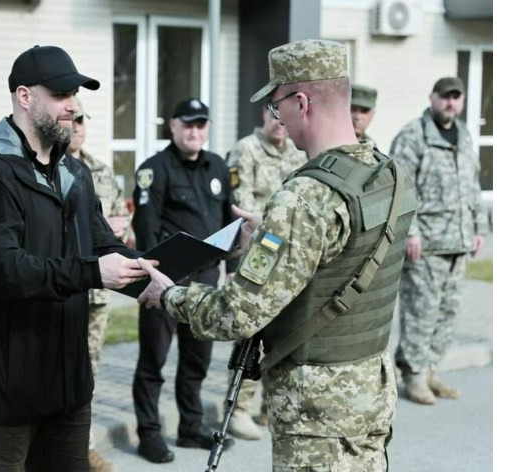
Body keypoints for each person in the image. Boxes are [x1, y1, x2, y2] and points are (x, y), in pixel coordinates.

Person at [136, 39, 419, 470]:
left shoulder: (305, 198)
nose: (278, 120)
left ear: (301, 101)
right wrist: (275, 234)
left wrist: (170, 295)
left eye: (275, 106)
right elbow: (339, 261)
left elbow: (236, 315)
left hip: (318, 415)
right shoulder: (390, 175)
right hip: (369, 395)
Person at [0, 45, 149, 472]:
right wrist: (93, 272)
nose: (71, 106)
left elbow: (100, 245)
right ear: (24, 96)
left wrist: (154, 277)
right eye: (60, 95)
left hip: (67, 386)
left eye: (74, 95)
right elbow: (2, 270)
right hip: (1, 388)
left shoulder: (75, 174)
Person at [131, 98, 237, 463]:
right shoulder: (153, 170)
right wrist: (149, 282)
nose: (195, 131)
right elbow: (145, 233)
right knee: (153, 363)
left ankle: (190, 428)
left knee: (196, 362)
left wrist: (232, 271)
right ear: (173, 127)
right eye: (188, 124)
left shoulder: (218, 166)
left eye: (201, 125)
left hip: (205, 284)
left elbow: (228, 222)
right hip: (164, 283)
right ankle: (149, 433)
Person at [390, 76, 488, 405]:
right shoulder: (413, 135)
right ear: (432, 97)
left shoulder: (464, 135)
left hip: (458, 242)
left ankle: (429, 369)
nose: (450, 103)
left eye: (456, 98)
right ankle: (413, 375)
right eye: (445, 97)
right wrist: (411, 231)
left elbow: (473, 185)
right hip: (426, 244)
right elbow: (401, 187)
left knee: (447, 313)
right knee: (421, 311)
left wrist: (479, 228)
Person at [223, 105, 307, 440]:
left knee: (282, 335)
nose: (279, 124)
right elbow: (240, 205)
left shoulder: (297, 153)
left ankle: (269, 406)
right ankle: (238, 408)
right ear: (262, 116)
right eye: (273, 116)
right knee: (250, 333)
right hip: (255, 255)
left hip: (287, 260)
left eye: (283, 118)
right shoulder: (246, 150)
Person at [67, 97, 129, 472]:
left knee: (88, 372)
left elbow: (121, 218)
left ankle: (82, 446)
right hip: (65, 287)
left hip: (97, 296)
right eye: (71, 120)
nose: (77, 127)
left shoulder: (101, 172)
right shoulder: (52, 168)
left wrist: (118, 227)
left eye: (81, 121)